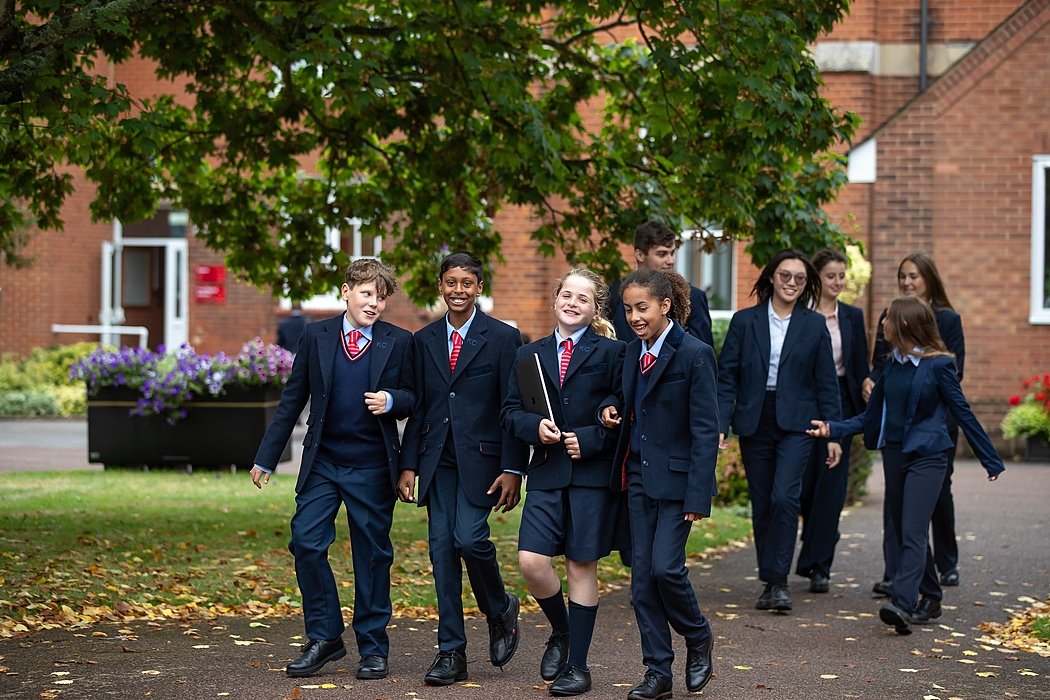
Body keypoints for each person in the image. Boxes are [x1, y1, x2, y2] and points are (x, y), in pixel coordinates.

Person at [249, 259, 415, 681]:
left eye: (381, 297)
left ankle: (373, 649)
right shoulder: (317, 335)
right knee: (305, 541)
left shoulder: (398, 342)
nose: (374, 303)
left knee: (372, 558)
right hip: (323, 463)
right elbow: (292, 399)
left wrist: (393, 401)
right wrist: (267, 456)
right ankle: (324, 637)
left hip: (373, 466)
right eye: (366, 294)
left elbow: (415, 397)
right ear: (346, 291)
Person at [808, 295, 1003, 635]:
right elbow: (871, 417)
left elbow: (962, 412)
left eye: (886, 320)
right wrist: (832, 428)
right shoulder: (892, 364)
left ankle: (903, 602)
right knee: (903, 528)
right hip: (895, 454)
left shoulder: (939, 365)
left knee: (912, 530)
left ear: (905, 325)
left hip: (929, 455)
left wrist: (989, 457)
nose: (881, 325)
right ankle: (930, 595)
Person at [397, 251, 528, 686]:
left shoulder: (503, 339)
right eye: (451, 282)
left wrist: (514, 467)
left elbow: (513, 408)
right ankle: (451, 652)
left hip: (484, 460)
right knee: (441, 553)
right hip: (438, 461)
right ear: (440, 285)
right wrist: (409, 465)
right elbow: (418, 409)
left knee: (470, 539)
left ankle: (499, 606)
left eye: (467, 283)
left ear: (479, 287)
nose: (458, 290)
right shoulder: (424, 340)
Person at [500, 268, 625, 697]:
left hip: (590, 475)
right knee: (532, 563)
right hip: (548, 472)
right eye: (566, 295)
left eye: (583, 298)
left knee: (579, 565)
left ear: (595, 309)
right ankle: (562, 630)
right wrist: (534, 427)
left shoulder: (614, 353)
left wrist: (590, 437)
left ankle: (579, 667)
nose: (572, 303)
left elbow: (621, 408)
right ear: (555, 300)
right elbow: (510, 412)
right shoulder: (527, 354)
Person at [599, 268, 718, 700]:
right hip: (637, 480)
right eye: (628, 308)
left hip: (679, 483)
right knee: (641, 583)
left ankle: (698, 634)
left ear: (665, 306)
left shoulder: (695, 353)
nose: (633, 316)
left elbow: (706, 430)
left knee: (666, 569)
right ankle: (658, 672)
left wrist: (699, 493)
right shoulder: (631, 353)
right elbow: (625, 399)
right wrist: (610, 410)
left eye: (642, 308)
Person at [716, 249, 841, 613]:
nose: (791, 283)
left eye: (799, 279)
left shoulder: (813, 325)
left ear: (806, 285)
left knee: (785, 497)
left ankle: (779, 581)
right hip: (756, 419)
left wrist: (833, 433)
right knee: (763, 501)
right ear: (772, 277)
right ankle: (770, 579)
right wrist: (720, 424)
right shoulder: (744, 321)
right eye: (785, 276)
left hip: (797, 422)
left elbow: (826, 383)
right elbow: (727, 379)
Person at [865, 252, 965, 596]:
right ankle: (895, 572)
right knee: (899, 503)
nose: (907, 282)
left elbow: (953, 373)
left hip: (933, 423)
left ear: (929, 280)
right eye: (903, 276)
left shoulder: (947, 319)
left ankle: (946, 562)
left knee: (935, 497)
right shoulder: (890, 314)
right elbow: (882, 364)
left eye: (914, 276)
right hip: (896, 425)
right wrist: (872, 382)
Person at [795, 249, 870, 593]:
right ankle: (808, 551)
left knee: (831, 486)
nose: (838, 282)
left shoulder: (852, 317)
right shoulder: (801, 314)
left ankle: (820, 565)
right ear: (817, 278)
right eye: (831, 276)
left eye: (842, 276)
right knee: (806, 487)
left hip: (840, 402)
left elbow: (859, 366)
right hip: (805, 399)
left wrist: (868, 385)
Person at [606, 221, 713, 347]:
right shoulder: (613, 294)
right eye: (662, 254)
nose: (671, 260)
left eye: (672, 253)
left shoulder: (692, 296)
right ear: (639, 254)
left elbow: (702, 353)